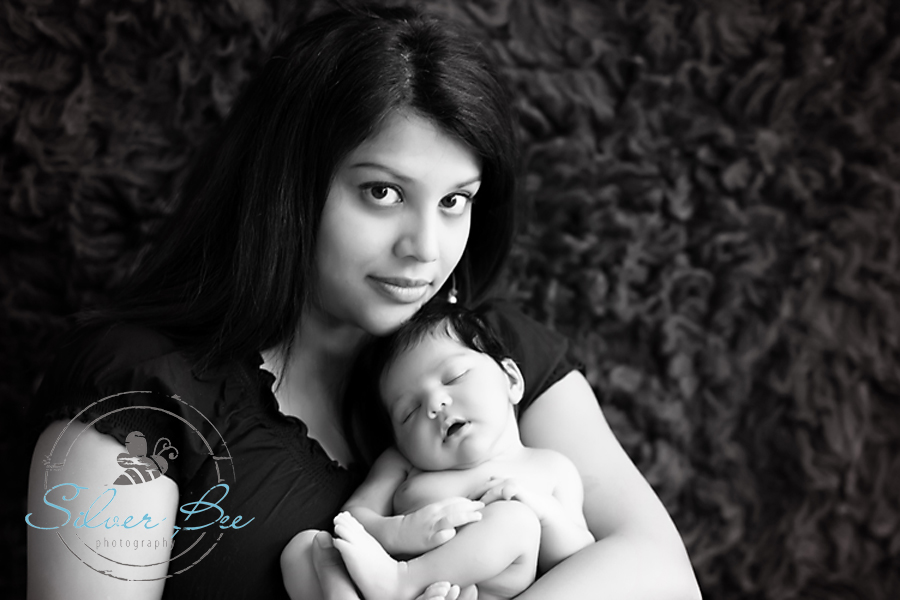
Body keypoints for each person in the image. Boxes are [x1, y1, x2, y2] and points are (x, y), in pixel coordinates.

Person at [25, 3, 701, 600]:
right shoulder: (143, 398)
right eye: (382, 192)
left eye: (454, 201)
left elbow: (663, 576)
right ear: (289, 187)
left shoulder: (487, 356)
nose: (425, 248)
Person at [281, 302, 595, 600]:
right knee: (306, 547)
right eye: (409, 412)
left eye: (454, 377)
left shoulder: (551, 468)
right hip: (379, 583)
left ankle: (404, 581)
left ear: (511, 379)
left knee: (517, 520)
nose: (434, 404)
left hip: (474, 593)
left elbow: (580, 555)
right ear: (398, 438)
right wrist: (399, 531)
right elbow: (352, 517)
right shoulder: (404, 462)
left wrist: (543, 512)